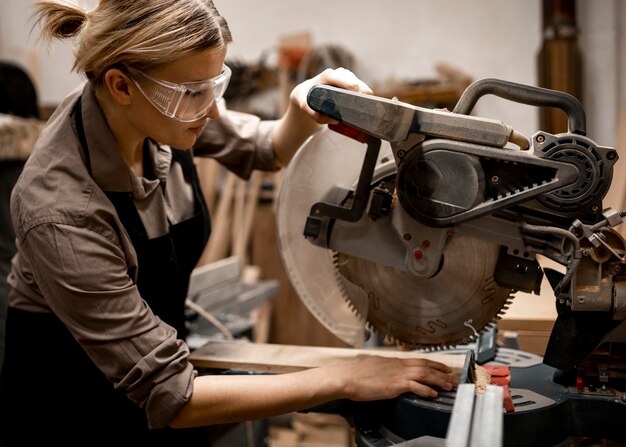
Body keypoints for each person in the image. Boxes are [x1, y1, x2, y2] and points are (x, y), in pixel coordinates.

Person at [0, 0, 458, 444]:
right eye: (195, 92)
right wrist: (343, 378)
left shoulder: (160, 109)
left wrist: (303, 108)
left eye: (217, 83)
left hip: (155, 379)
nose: (215, 110)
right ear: (120, 86)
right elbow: (173, 395)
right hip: (71, 403)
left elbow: (268, 147)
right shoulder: (59, 210)